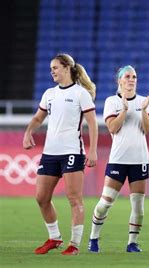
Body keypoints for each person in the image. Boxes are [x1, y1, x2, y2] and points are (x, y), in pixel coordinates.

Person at [23, 53, 98, 255]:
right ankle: (54, 237)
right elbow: (39, 118)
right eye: (51, 68)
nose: (52, 71)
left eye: (55, 67)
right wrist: (29, 131)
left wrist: (92, 150)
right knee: (41, 197)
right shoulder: (49, 93)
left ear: (66, 68)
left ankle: (74, 244)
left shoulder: (81, 93)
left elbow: (92, 122)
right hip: (50, 153)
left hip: (72, 151)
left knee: (74, 198)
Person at [88, 65, 149, 253]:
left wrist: (142, 110)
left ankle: (132, 243)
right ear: (119, 81)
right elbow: (113, 128)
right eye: (127, 76)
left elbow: (148, 129)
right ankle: (93, 238)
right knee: (105, 202)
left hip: (140, 159)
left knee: (138, 206)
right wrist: (124, 111)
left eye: (134, 76)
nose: (131, 79)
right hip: (118, 160)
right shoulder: (111, 101)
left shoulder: (144, 101)